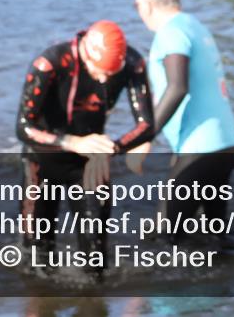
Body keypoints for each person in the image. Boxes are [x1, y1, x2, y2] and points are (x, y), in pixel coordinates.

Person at [15, 20, 156, 276]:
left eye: (111, 76)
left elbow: (147, 125)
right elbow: (23, 127)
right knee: (35, 261)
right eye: (98, 72)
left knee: (95, 260)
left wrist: (112, 148)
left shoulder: (133, 63)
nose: (103, 80)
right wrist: (72, 143)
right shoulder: (50, 64)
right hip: (42, 161)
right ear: (85, 53)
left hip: (89, 163)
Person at [132, 0, 234, 231]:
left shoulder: (171, 33)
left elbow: (177, 87)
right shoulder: (193, 25)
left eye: (136, 4)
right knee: (213, 236)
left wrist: (144, 137)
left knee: (163, 237)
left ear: (146, 5)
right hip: (225, 144)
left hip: (200, 147)